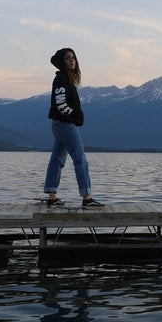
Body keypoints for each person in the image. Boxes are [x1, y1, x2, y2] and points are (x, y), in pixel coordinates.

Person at [43, 47, 104, 208]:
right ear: (62, 62)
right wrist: (74, 116)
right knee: (80, 160)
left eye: (73, 58)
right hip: (64, 124)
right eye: (67, 58)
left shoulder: (67, 80)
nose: (71, 60)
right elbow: (60, 103)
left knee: (57, 160)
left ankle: (52, 196)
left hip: (59, 124)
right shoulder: (61, 79)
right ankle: (87, 198)